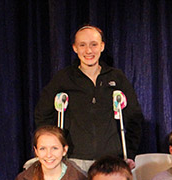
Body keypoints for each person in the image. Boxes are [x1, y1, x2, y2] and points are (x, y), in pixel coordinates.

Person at [34, 25, 143, 172]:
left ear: (102, 46)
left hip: (111, 158)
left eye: (94, 44)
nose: (88, 51)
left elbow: (133, 117)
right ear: (75, 48)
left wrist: (129, 153)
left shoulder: (116, 77)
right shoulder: (64, 78)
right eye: (82, 45)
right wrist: (53, 150)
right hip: (74, 159)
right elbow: (43, 115)